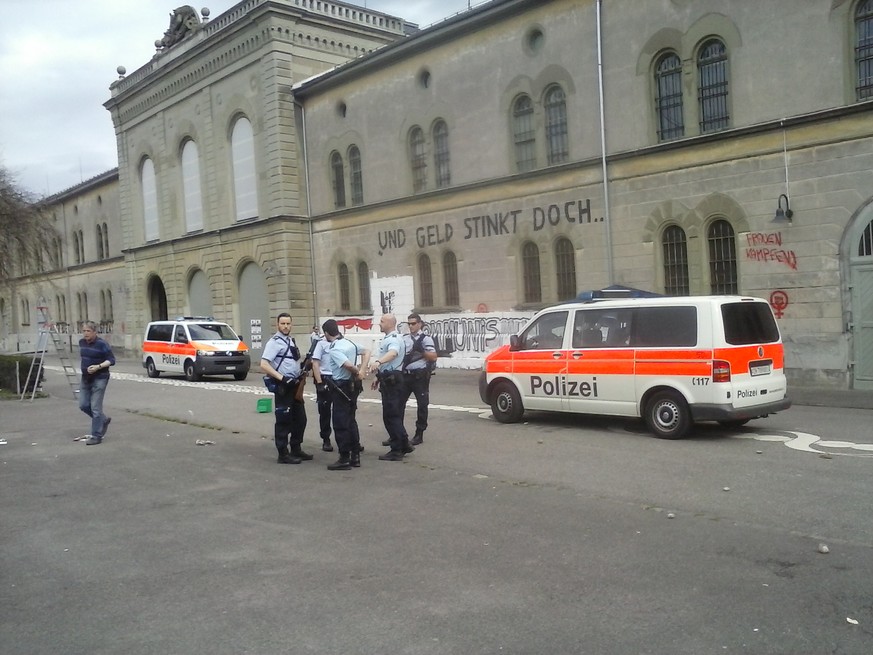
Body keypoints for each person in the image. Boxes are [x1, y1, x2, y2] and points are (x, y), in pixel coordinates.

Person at [260, 313, 310, 464]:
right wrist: (282, 378)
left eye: (288, 323)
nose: (286, 326)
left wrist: (303, 367)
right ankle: (283, 454)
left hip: (295, 385)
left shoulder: (290, 341)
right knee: (283, 420)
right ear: (277, 325)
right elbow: (264, 364)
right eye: (283, 324)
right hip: (283, 386)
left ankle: (296, 448)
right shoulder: (274, 342)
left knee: (300, 419)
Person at [322, 319, 369, 470]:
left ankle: (344, 458)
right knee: (351, 421)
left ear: (326, 333)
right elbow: (367, 351)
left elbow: (347, 365)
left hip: (341, 387)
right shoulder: (350, 343)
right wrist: (362, 369)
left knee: (340, 423)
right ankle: (355, 456)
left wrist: (358, 371)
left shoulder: (334, 348)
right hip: (352, 387)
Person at [367, 313, 413, 461]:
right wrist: (378, 377)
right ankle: (404, 443)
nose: (379, 324)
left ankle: (397, 449)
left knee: (391, 415)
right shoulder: (391, 338)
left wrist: (378, 362)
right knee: (393, 415)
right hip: (389, 378)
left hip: (393, 381)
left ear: (390, 324)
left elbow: (393, 354)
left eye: (382, 321)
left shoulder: (393, 339)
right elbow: (390, 363)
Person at [400, 313, 437, 446]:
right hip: (406, 375)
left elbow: (433, 356)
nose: (411, 326)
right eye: (409, 324)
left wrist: (422, 351)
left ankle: (419, 433)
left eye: (413, 323)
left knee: (422, 405)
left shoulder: (426, 339)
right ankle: (399, 434)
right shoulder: (404, 338)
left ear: (420, 324)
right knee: (399, 404)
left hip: (420, 377)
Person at [78, 321, 116, 445]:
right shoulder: (82, 343)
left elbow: (111, 360)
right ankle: (103, 420)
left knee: (95, 407)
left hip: (100, 377)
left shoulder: (102, 344)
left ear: (94, 332)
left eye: (88, 331)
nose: (85, 333)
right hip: (86, 378)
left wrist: (98, 366)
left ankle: (96, 436)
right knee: (83, 405)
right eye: (84, 331)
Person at [310, 333, 335, 452]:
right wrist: (319, 382)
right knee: (324, 411)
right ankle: (326, 439)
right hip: (325, 378)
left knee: (344, 412)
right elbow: (315, 364)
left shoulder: (341, 341)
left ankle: (351, 439)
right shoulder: (320, 344)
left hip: (338, 378)